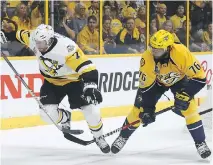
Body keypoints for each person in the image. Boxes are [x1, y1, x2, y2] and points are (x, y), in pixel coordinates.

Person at [1, 24, 110, 154]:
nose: (38, 46)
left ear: (50, 40)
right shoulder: (33, 38)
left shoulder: (67, 48)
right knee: (46, 115)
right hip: (51, 82)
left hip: (73, 81)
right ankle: (65, 117)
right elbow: (17, 34)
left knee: (91, 111)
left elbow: (87, 67)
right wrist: (5, 35)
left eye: (41, 43)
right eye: (37, 43)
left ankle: (99, 137)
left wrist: (91, 86)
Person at [111, 30, 211, 159]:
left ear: (168, 47)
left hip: (178, 80)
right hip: (156, 83)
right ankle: (122, 137)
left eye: (157, 49)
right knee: (138, 110)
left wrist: (186, 94)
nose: (153, 51)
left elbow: (200, 77)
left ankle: (200, 142)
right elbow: (146, 87)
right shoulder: (146, 58)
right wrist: (148, 109)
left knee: (190, 108)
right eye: (152, 47)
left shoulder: (181, 52)